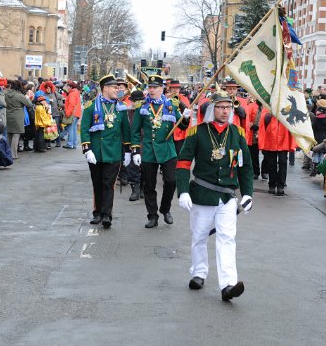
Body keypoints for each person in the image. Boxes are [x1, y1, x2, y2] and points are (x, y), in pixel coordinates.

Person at [175, 90, 253, 302]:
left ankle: (228, 284)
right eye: (220, 107)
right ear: (211, 109)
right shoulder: (197, 132)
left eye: (228, 107)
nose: (225, 111)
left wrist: (248, 194)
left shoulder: (237, 133)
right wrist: (182, 191)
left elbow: (245, 166)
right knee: (199, 236)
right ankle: (199, 273)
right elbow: (183, 163)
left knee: (227, 239)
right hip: (202, 194)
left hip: (227, 197)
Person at [131, 75, 191, 228]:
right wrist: (136, 151)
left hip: (167, 149)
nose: (151, 90)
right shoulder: (142, 106)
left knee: (171, 181)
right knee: (149, 185)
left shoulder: (171, 104)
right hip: (149, 150)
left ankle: (165, 209)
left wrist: (185, 118)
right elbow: (135, 131)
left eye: (155, 87)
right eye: (150, 87)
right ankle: (152, 215)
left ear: (162, 89)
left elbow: (182, 126)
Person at [80, 74, 131, 228]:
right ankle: (97, 212)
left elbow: (126, 131)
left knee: (108, 184)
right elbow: (84, 129)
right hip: (96, 152)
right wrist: (87, 149)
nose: (118, 90)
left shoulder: (121, 108)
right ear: (105, 88)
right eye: (115, 87)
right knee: (97, 183)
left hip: (114, 152)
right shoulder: (91, 106)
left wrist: (128, 150)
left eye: (118, 87)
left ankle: (106, 215)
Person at [5, 80, 33, 159]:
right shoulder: (19, 95)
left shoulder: (6, 94)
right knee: (16, 135)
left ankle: (7, 153)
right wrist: (27, 97)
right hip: (17, 117)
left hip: (8, 115)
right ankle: (14, 154)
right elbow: (29, 104)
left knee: (9, 135)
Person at [62, 81, 81, 149]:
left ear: (70, 87)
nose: (67, 88)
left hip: (72, 113)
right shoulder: (76, 92)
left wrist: (67, 113)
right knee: (74, 129)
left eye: (67, 86)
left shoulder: (72, 94)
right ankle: (74, 144)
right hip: (77, 113)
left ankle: (70, 144)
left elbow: (71, 105)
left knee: (70, 129)